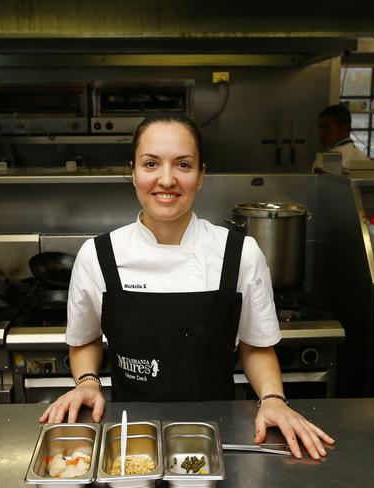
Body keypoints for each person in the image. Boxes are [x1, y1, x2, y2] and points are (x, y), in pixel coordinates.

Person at [39, 111, 334, 460]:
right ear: (133, 173)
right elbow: (86, 339)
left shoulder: (239, 253)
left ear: (201, 175)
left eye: (183, 165)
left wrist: (273, 400)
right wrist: (88, 381)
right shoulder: (98, 255)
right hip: (130, 440)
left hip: (219, 438)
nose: (166, 179)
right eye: (150, 164)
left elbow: (256, 346)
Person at [312, 104, 369, 172]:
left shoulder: (328, 160)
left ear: (345, 129)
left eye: (327, 128)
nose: (321, 133)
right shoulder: (362, 156)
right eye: (320, 127)